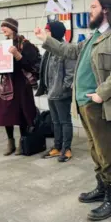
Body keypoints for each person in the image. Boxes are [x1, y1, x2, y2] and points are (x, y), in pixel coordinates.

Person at [34, 0, 111, 221]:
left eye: (93, 6)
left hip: (101, 105)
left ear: (106, 10)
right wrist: (45, 40)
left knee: (106, 152)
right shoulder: (92, 37)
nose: (90, 10)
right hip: (85, 105)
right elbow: (70, 51)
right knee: (94, 150)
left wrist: (101, 94)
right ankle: (101, 189)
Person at [0, 18, 38, 156]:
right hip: (8, 83)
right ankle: (10, 141)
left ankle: (22, 142)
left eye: (5, 26)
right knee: (6, 113)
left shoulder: (25, 44)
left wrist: (18, 55)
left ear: (13, 28)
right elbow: (2, 63)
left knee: (22, 113)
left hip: (22, 83)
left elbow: (31, 66)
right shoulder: (2, 44)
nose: (3, 29)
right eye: (2, 27)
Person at [36, 21, 76, 162]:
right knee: (55, 121)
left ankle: (67, 149)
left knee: (64, 121)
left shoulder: (66, 48)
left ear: (55, 32)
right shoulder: (49, 49)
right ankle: (57, 147)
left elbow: (71, 73)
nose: (46, 33)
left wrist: (64, 88)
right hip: (51, 91)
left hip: (61, 92)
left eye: (48, 30)